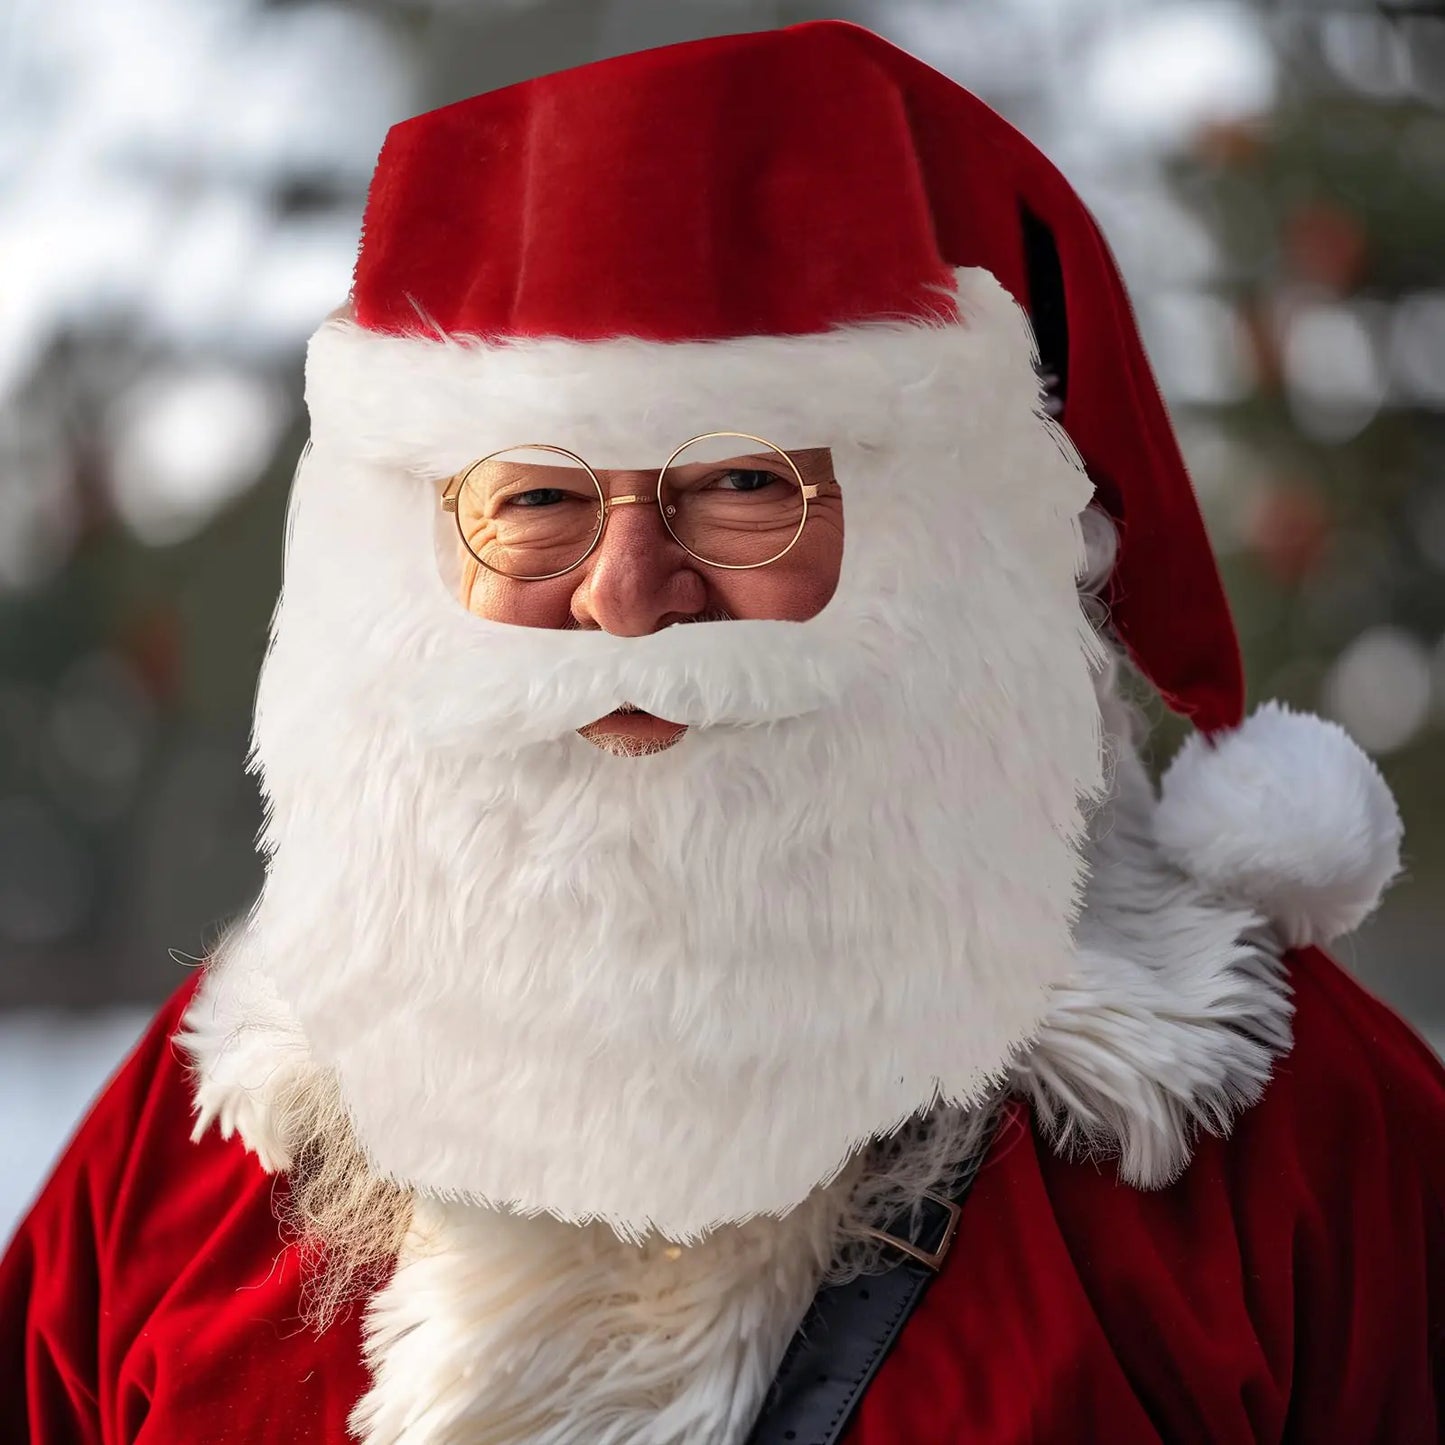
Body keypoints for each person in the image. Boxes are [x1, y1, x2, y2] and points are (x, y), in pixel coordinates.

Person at [2, 20, 1441, 1445]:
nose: (628, 594)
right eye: (537, 498)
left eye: (746, 481)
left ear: (966, 536)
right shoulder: (193, 1149)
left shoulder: (1303, 1150)